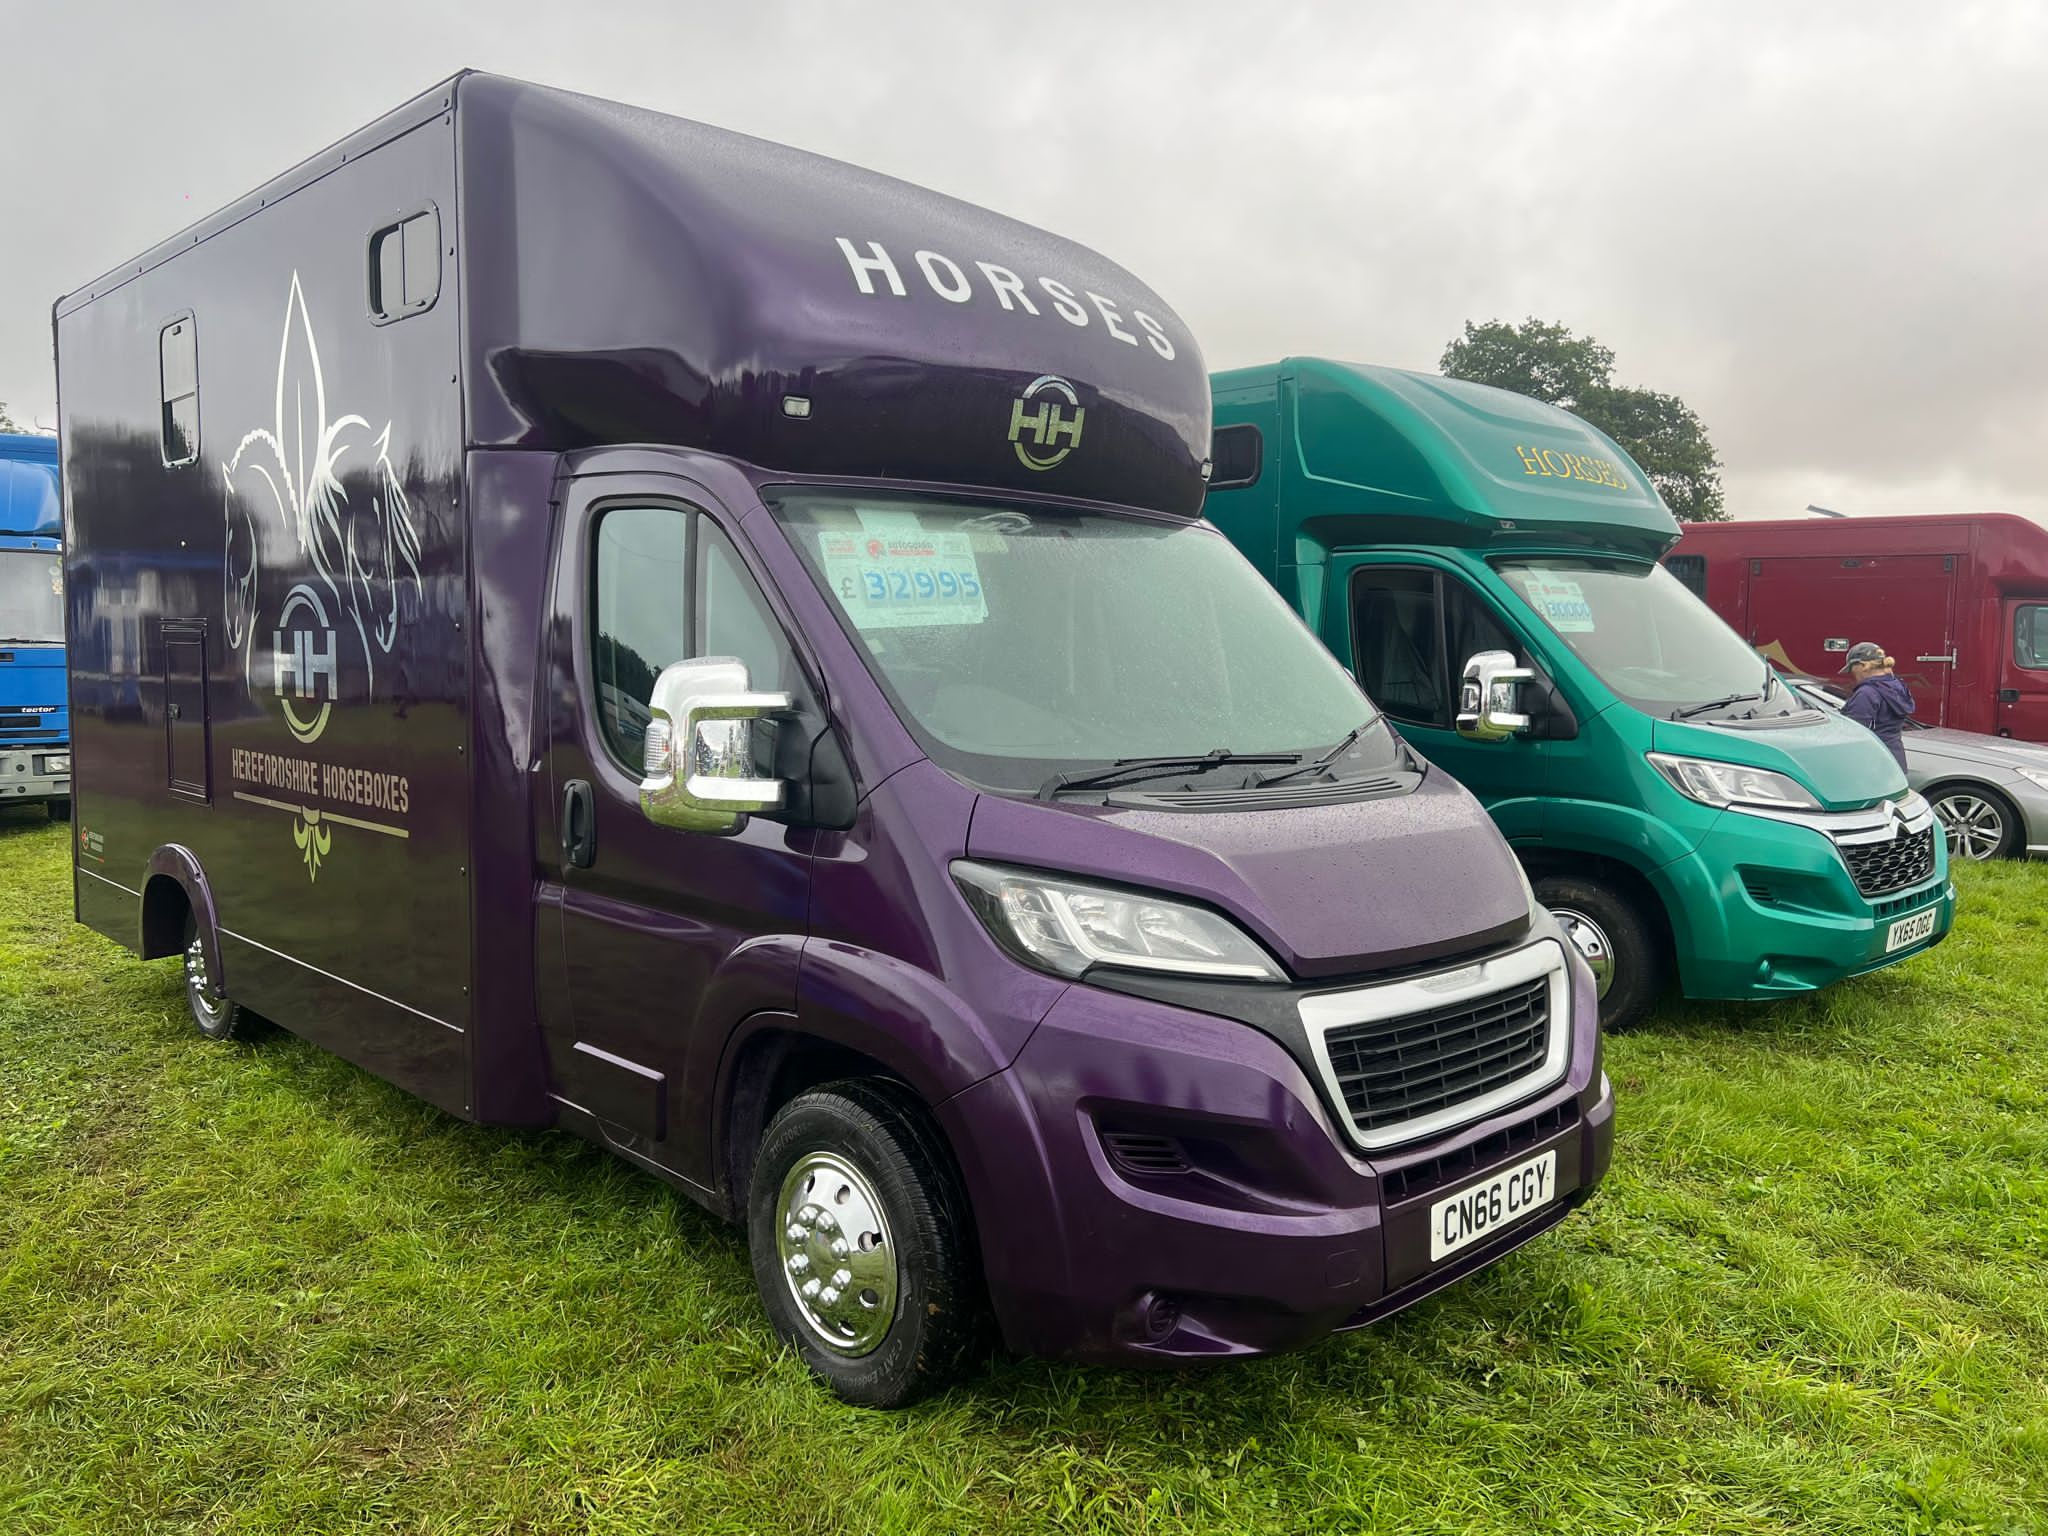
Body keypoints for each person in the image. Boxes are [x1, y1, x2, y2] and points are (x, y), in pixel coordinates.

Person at [1838, 641, 1914, 771]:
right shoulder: (1897, 686)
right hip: (1895, 760)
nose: (1852, 674)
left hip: (1872, 763)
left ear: (1861, 666)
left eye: (1852, 669)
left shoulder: (1866, 693)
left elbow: (1852, 733)